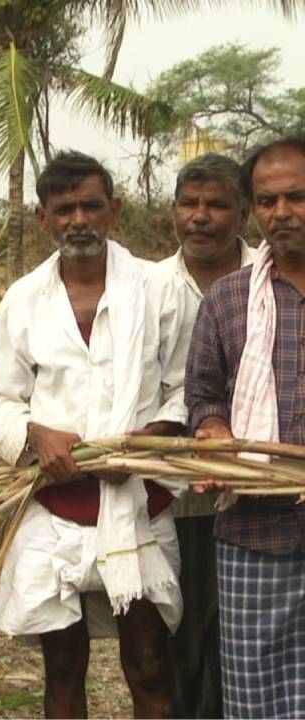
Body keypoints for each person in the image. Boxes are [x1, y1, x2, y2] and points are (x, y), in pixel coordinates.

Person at [0, 150, 186, 719]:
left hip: (138, 500)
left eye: (90, 206)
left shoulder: (156, 289)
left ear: (113, 210)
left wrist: (147, 440)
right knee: (64, 668)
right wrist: (34, 432)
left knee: (147, 664)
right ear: (43, 218)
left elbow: (186, 387)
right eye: (64, 209)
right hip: (55, 502)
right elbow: (0, 396)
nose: (79, 220)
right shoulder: (23, 299)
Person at [186, 135, 305, 719]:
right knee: (256, 698)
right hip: (255, 533)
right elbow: (204, 395)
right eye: (266, 201)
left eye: (297, 197)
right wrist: (211, 432)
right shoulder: (229, 300)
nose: (280, 213)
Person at [155, 152, 252, 719]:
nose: (201, 217)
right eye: (189, 204)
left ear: (242, 213)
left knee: (240, 643)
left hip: (258, 494)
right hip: (172, 497)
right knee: (180, 644)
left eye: (217, 205)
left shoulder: (273, 278)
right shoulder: (147, 286)